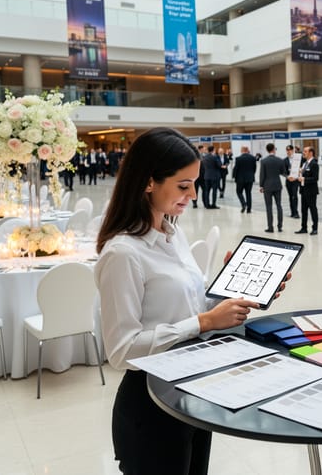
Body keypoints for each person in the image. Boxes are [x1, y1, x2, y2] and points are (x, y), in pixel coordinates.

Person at [95, 127, 281, 475]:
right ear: (149, 182)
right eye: (183, 185)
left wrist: (232, 287)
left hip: (193, 389)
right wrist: (204, 322)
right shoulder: (123, 253)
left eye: (195, 183)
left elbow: (190, 303)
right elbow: (121, 351)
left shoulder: (172, 230)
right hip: (150, 406)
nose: (194, 194)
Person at [259, 142, 286, 232]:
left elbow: (262, 175)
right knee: (279, 205)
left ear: (267, 150)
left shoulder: (264, 161)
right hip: (277, 185)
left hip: (267, 186)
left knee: (269, 206)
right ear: (274, 149)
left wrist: (261, 185)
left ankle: (270, 227)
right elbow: (283, 172)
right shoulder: (280, 160)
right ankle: (280, 226)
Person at [295, 146, 319, 235]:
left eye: (305, 151)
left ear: (311, 153)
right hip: (303, 190)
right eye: (304, 151)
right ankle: (303, 227)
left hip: (311, 191)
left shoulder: (314, 164)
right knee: (303, 210)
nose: (303, 153)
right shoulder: (305, 163)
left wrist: (304, 179)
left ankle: (315, 228)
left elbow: (315, 178)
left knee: (313, 209)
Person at [232, 146, 257, 213]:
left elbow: (236, 169)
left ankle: (243, 204)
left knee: (239, 192)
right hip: (250, 179)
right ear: (247, 150)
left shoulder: (239, 159)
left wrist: (234, 177)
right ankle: (249, 209)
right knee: (248, 193)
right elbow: (254, 168)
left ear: (242, 150)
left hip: (240, 179)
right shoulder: (253, 158)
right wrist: (251, 175)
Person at [284, 145, 301, 219]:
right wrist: (287, 177)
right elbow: (283, 171)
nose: (288, 152)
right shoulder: (284, 160)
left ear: (293, 150)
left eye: (290, 150)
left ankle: (296, 212)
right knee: (290, 196)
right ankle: (292, 212)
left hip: (295, 180)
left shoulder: (298, 158)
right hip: (288, 180)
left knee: (295, 196)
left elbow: (301, 168)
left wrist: (296, 176)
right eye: (287, 150)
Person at [192, 145, 205, 209]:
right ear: (200, 149)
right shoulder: (194, 156)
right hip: (195, 177)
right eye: (203, 149)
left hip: (203, 177)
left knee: (204, 190)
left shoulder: (204, 156)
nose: (204, 150)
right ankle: (194, 203)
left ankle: (205, 202)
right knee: (195, 190)